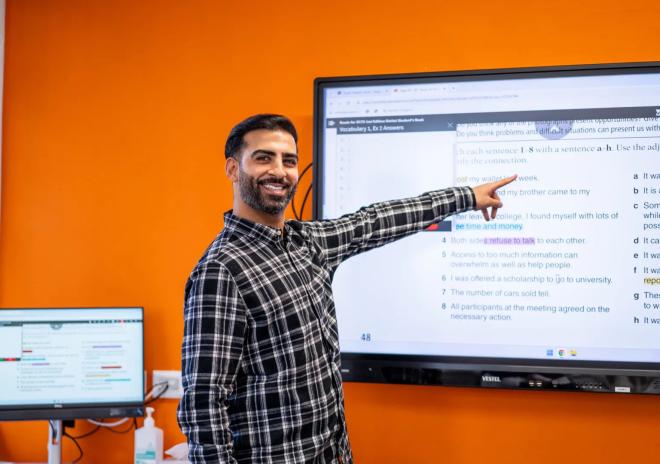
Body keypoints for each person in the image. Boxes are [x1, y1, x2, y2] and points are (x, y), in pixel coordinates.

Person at [177, 114, 516, 463]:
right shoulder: (221, 270)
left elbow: (377, 221)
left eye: (289, 161)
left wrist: (466, 197)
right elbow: (203, 402)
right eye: (264, 158)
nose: (279, 171)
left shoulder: (306, 242)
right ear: (233, 169)